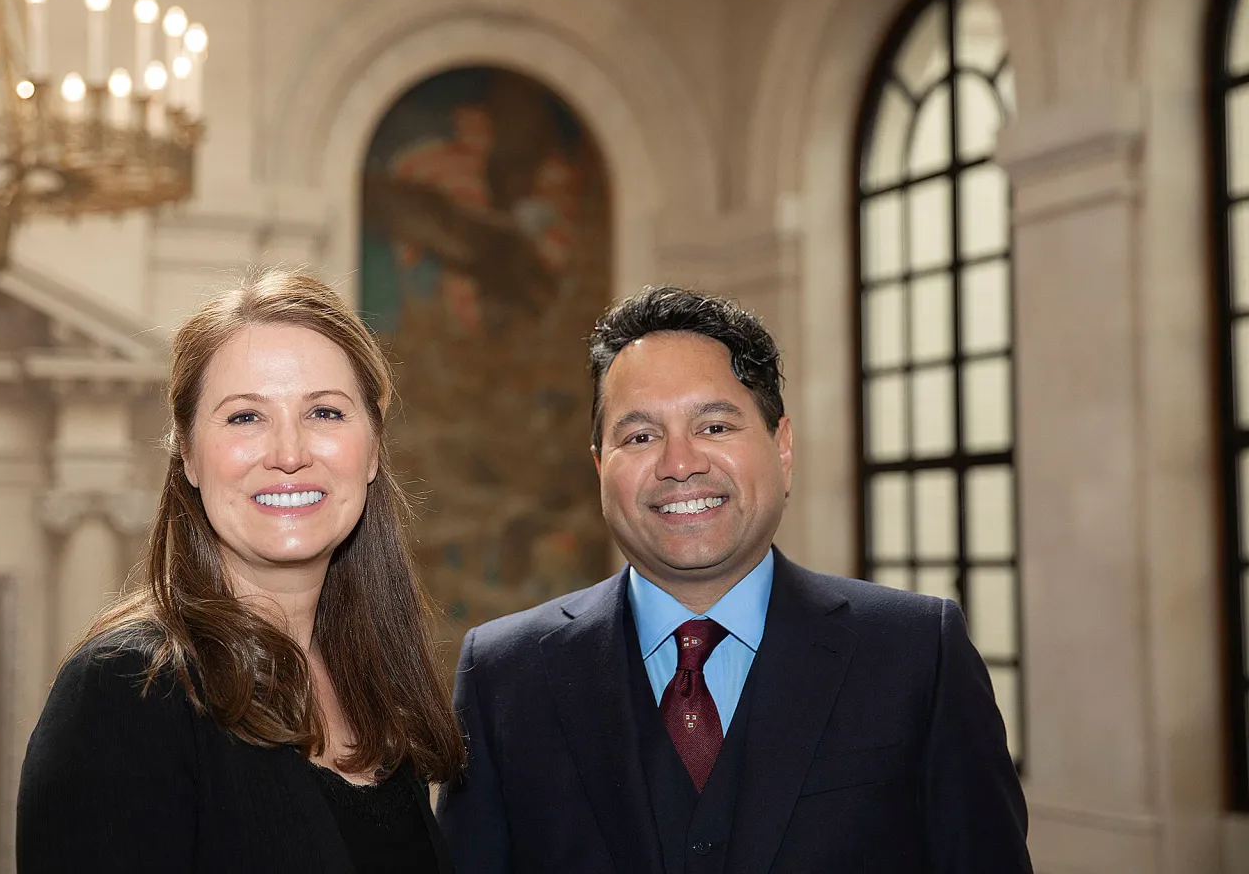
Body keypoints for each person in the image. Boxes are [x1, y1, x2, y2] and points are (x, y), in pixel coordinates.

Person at [437, 285, 1031, 874]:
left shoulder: (918, 654)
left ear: (783, 447)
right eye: (640, 436)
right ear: (599, 466)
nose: (679, 464)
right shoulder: (501, 676)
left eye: (715, 427)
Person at [18, 270, 463, 874]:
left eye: (326, 413)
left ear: (374, 451)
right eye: (244, 418)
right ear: (189, 454)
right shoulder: (129, 689)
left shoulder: (375, 692)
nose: (288, 453)